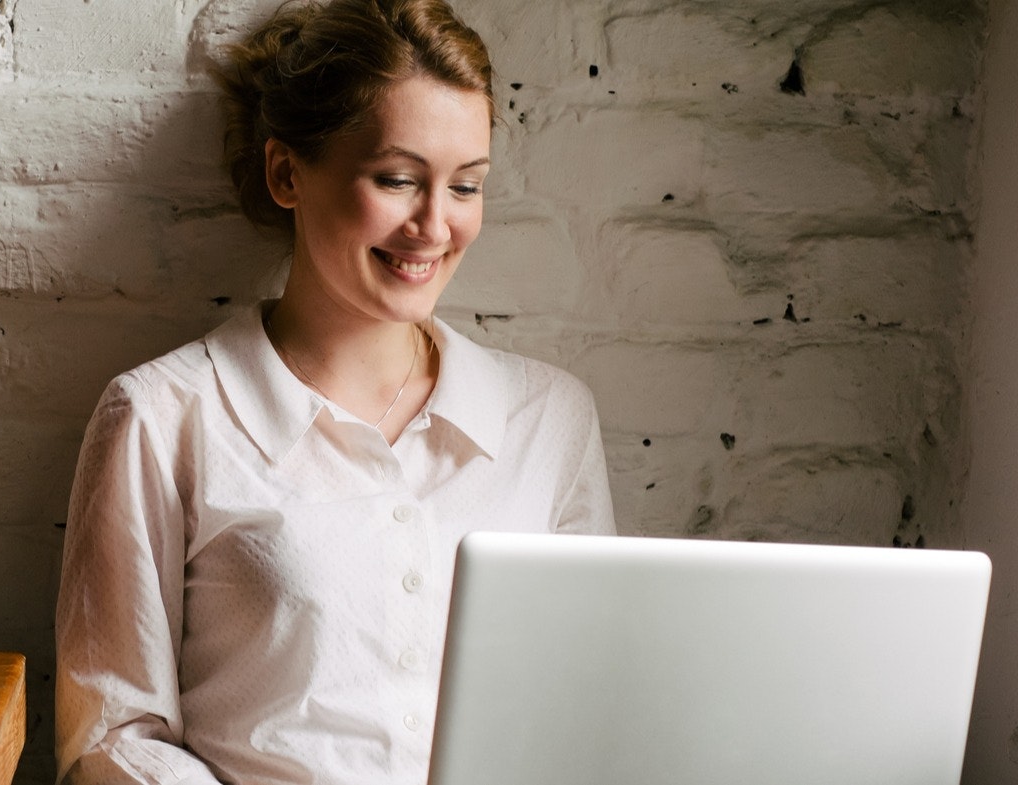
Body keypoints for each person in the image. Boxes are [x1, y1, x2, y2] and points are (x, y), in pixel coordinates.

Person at [54, 0, 616, 782]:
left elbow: (586, 710)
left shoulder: (549, 419)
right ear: (287, 173)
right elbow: (113, 736)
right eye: (397, 179)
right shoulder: (163, 414)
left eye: (466, 186)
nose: (434, 224)